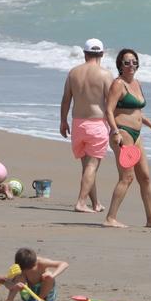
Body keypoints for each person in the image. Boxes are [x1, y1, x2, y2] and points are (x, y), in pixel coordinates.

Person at [103, 49, 151, 228]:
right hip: (122, 134)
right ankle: (110, 218)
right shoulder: (118, 84)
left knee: (145, 177)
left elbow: (137, 112)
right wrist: (114, 131)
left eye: (134, 62)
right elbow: (108, 110)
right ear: (120, 66)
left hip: (137, 135)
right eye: (126, 62)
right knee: (127, 177)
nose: (131, 65)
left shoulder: (137, 83)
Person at [60, 38, 113, 213]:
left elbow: (66, 99)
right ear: (102, 54)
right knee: (92, 166)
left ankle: (95, 203)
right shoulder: (105, 74)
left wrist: (63, 121)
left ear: (84, 54)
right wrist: (116, 128)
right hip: (96, 124)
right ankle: (81, 202)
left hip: (77, 124)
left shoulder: (74, 72)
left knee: (87, 167)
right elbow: (112, 104)